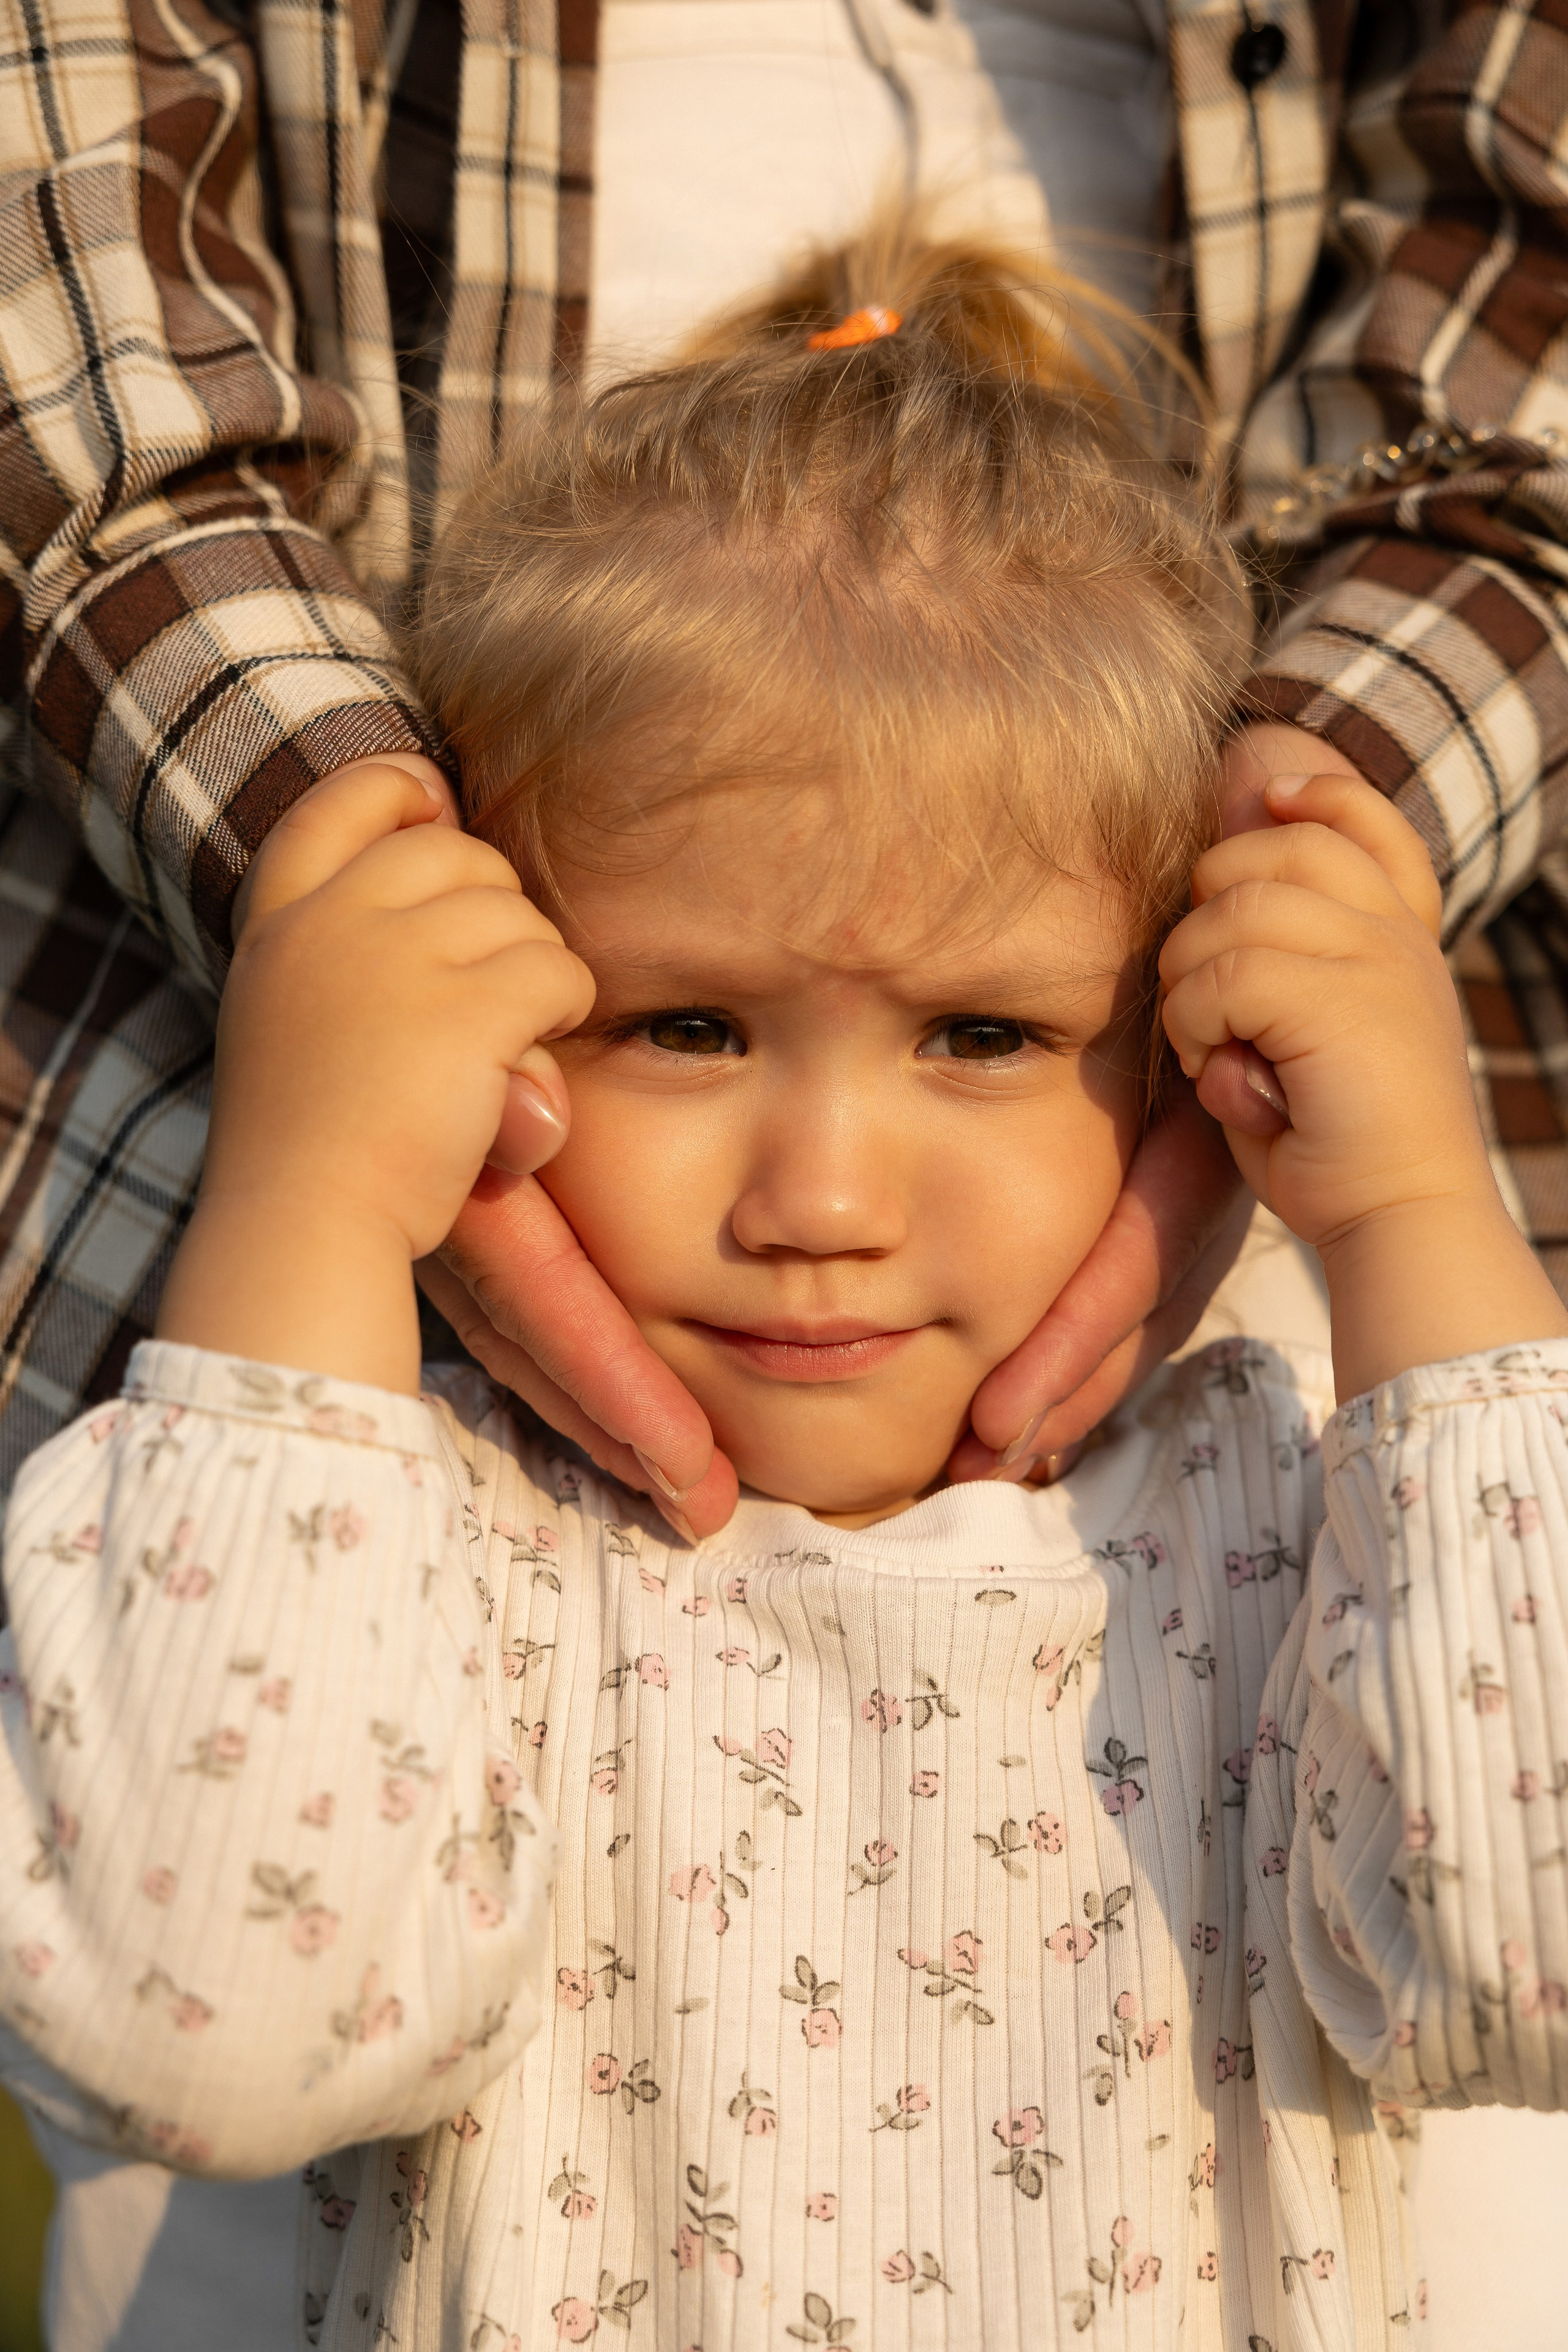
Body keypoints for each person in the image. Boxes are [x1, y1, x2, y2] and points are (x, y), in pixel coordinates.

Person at [6, 229, 1568, 2351]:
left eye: (985, 1036)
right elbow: (198, 2035)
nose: (820, 1199)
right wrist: (309, 1192)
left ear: (1182, 1065)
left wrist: (1410, 1212)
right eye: (688, 1028)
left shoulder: (1304, 1536)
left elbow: (1530, 1962)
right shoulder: (412, 1546)